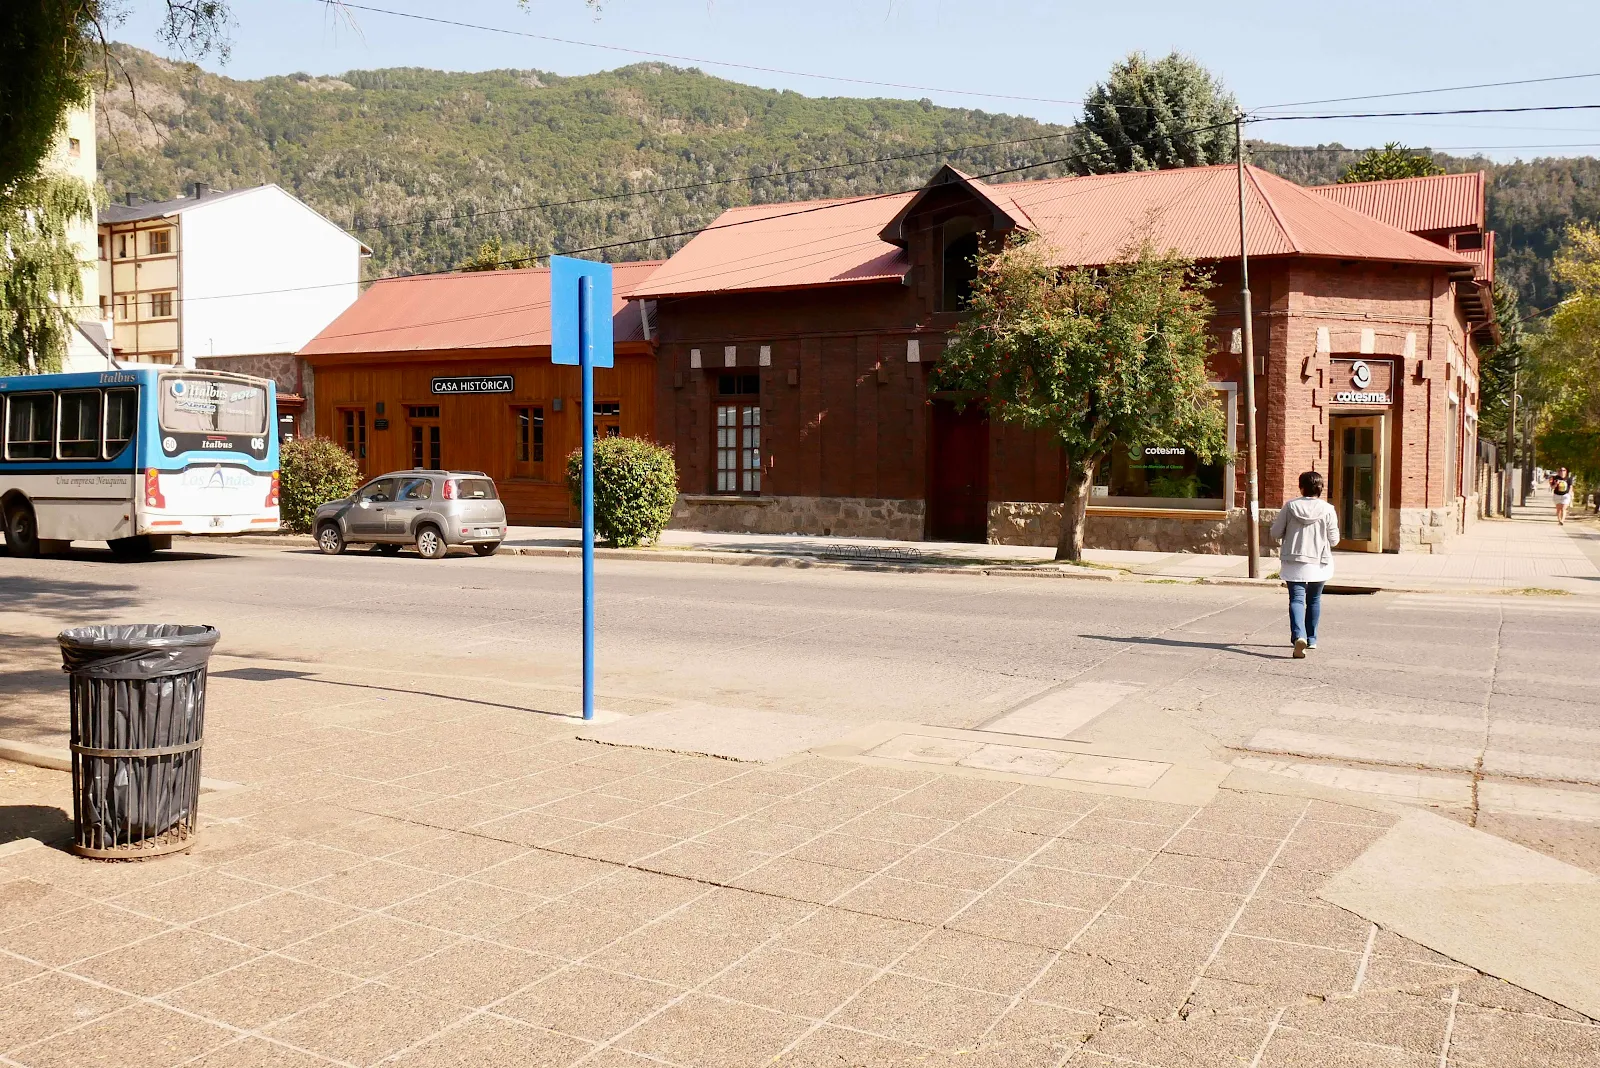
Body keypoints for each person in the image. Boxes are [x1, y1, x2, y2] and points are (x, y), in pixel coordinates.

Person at [1270, 470, 1341, 659]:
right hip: (1319, 562)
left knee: (1297, 600)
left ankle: (1298, 636)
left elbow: (1275, 533)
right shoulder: (1328, 509)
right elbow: (1334, 540)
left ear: (1301, 487)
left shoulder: (1290, 506)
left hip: (1294, 561)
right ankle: (1311, 638)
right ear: (1320, 488)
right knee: (1314, 600)